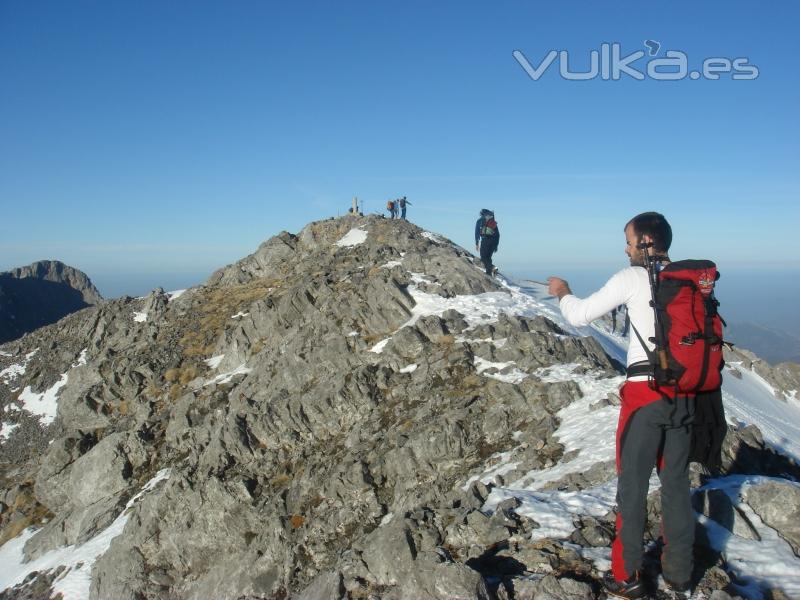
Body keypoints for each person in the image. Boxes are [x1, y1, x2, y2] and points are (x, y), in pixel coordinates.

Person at [547, 212, 694, 599]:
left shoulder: (632, 277)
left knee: (632, 485)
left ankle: (626, 575)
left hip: (645, 395)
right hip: (686, 394)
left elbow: (579, 316)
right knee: (676, 485)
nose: (625, 247)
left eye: (629, 240)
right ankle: (679, 576)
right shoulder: (688, 279)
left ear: (646, 242)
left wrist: (563, 291)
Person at [474, 209, 500, 276]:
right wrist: (496, 245)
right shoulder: (492, 222)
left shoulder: (479, 221)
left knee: (483, 257)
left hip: (485, 240)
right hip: (493, 241)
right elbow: (497, 235)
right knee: (488, 257)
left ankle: (491, 268)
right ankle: (489, 274)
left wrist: (477, 243)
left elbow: (477, 232)